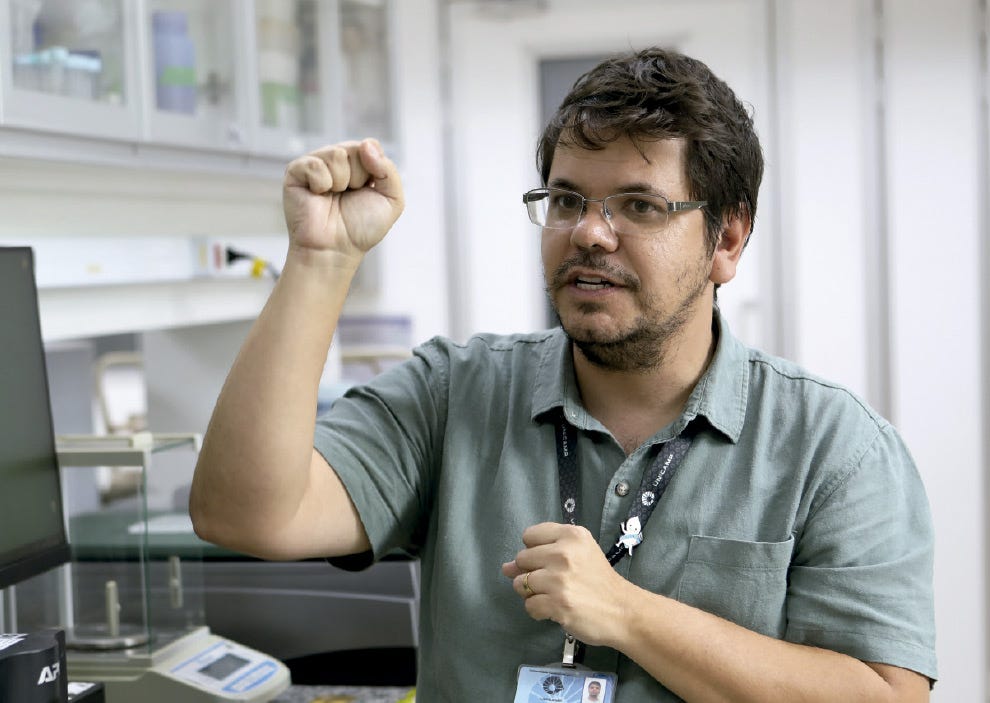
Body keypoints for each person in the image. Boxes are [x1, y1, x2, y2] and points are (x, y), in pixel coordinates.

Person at [189, 46, 937, 702]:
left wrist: (628, 615)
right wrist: (322, 261)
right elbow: (244, 515)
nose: (589, 232)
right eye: (568, 200)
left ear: (728, 240)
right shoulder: (453, 393)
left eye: (640, 205)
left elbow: (885, 692)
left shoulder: (835, 448)